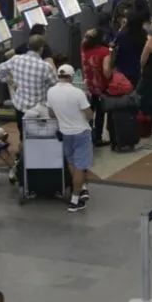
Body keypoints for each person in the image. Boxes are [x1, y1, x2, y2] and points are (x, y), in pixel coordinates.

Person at [46, 64, 93, 212]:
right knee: (80, 166)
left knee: (72, 162)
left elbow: (51, 113)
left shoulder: (51, 92)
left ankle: (81, 187)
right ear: (71, 76)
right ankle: (75, 199)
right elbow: (89, 113)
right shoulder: (77, 93)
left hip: (65, 132)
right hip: (81, 132)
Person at [0, 35, 57, 138]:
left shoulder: (16, 59)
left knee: (23, 135)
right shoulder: (45, 67)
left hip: (20, 107)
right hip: (38, 111)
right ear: (42, 48)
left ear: (28, 46)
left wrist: (9, 81)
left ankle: (23, 150)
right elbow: (55, 84)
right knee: (36, 137)